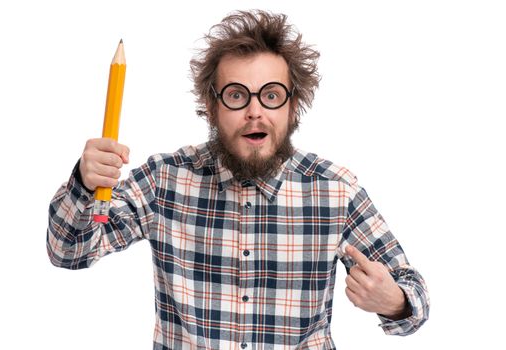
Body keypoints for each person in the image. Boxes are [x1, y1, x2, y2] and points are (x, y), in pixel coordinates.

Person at [47, 10, 429, 350]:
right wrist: (83, 182)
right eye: (235, 95)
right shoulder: (165, 180)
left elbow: (414, 297)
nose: (254, 111)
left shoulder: (335, 189)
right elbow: (69, 252)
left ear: (293, 106)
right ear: (212, 107)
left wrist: (394, 300)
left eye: (272, 95)